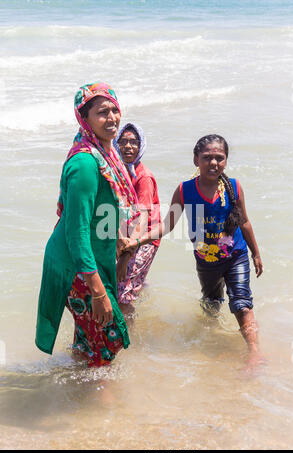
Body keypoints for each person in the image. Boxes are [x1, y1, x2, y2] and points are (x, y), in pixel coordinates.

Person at [122, 134, 265, 371]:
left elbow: (245, 222)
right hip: (206, 261)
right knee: (211, 303)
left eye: (219, 158)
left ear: (226, 161)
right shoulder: (185, 190)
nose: (213, 163)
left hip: (235, 256)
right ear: (196, 160)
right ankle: (210, 336)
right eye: (207, 157)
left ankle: (254, 353)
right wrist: (138, 241)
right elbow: (167, 225)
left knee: (242, 303)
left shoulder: (234, 188)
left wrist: (255, 254)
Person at [35, 81, 139, 368]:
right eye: (102, 112)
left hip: (90, 258)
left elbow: (101, 209)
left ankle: (74, 392)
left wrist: (117, 237)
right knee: (107, 344)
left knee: (91, 340)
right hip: (77, 267)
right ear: (85, 118)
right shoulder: (85, 164)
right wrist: (98, 291)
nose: (112, 118)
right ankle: (101, 409)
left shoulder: (104, 152)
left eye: (114, 110)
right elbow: (77, 231)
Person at [114, 123, 161, 319]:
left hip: (145, 237)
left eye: (134, 142)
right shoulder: (117, 172)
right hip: (125, 233)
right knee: (125, 282)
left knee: (122, 299)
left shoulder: (143, 178)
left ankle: (130, 343)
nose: (128, 146)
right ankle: (140, 284)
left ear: (141, 146)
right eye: (123, 141)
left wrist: (125, 257)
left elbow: (142, 218)